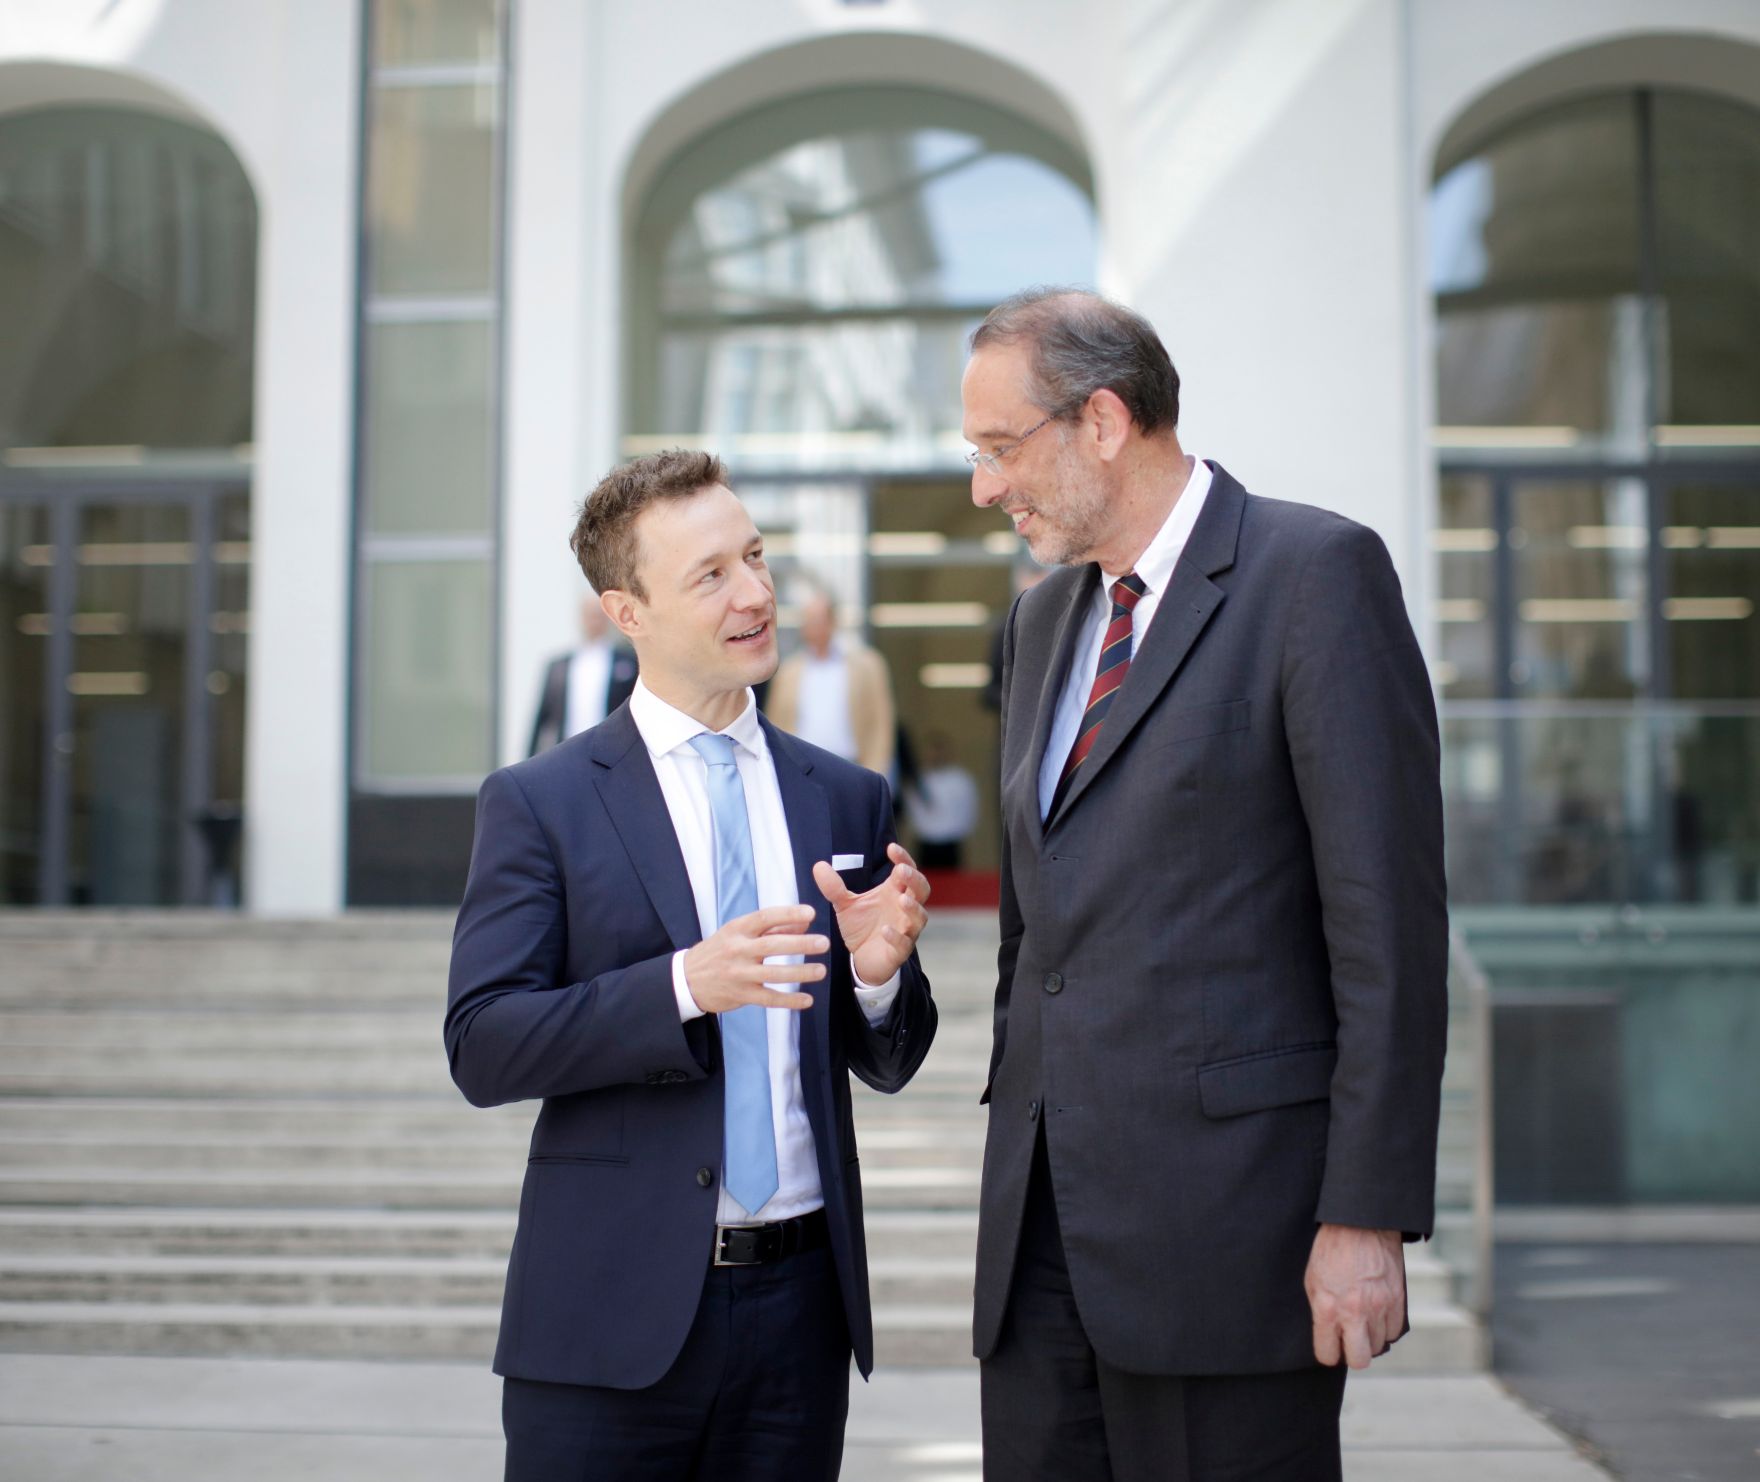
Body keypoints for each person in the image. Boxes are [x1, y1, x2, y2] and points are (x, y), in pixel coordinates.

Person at [962, 289, 1448, 1482]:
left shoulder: (1313, 575)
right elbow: (1039, 938)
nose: (982, 487)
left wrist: (1364, 1214)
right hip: (1038, 1251)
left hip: (1234, 1240)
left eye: (997, 448)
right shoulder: (1036, 624)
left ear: (1103, 422)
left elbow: (1385, 926)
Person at [446, 449, 938, 1481]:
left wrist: (877, 976)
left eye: (755, 557)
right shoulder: (542, 801)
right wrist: (681, 986)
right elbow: (483, 1044)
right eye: (710, 574)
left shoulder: (840, 796)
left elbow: (882, 1060)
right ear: (627, 612)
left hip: (801, 1319)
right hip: (603, 1320)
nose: (757, 593)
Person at [765, 583, 896, 776]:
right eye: (808, 621)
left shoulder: (866, 666)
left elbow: (882, 721)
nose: (812, 627)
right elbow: (775, 723)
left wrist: (876, 769)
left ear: (833, 621)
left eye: (817, 620)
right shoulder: (788, 672)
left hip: (853, 766)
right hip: (803, 770)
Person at [527, 589, 639, 755]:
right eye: (589, 615)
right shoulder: (560, 666)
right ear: (581, 618)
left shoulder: (627, 660)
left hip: (613, 751)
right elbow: (541, 718)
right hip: (567, 751)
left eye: (598, 616)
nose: (594, 621)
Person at [904, 732, 981, 869]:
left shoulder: (961, 779)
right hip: (925, 841)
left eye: (940, 750)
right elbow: (912, 810)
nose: (936, 755)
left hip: (952, 841)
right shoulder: (919, 779)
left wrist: (964, 834)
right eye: (932, 751)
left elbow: (969, 809)